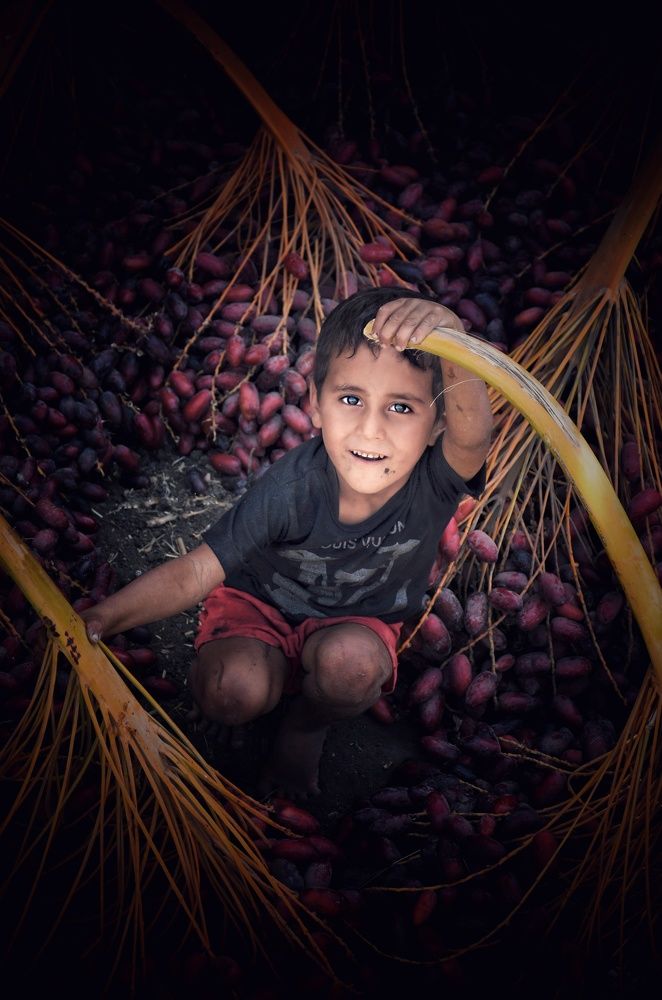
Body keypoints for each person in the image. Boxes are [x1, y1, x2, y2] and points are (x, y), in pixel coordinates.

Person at [82, 288, 493, 796]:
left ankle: (305, 726)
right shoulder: (291, 489)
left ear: (437, 425)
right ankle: (252, 684)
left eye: (401, 407)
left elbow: (474, 435)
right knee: (230, 693)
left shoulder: (434, 481)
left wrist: (452, 336)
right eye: (350, 400)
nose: (371, 430)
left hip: (357, 625)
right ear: (316, 405)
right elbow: (196, 571)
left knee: (352, 670)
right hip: (259, 611)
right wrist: (103, 619)